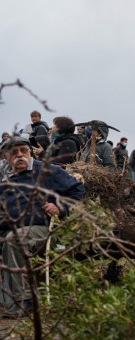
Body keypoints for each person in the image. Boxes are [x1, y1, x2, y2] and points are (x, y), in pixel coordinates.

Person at [0, 136, 85, 317]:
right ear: (5, 157)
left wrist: (59, 207)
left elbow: (77, 189)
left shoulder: (46, 171)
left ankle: (24, 301)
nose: (20, 155)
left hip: (42, 228)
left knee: (14, 240)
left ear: (30, 153)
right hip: (9, 226)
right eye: (14, 152)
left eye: (24, 151)